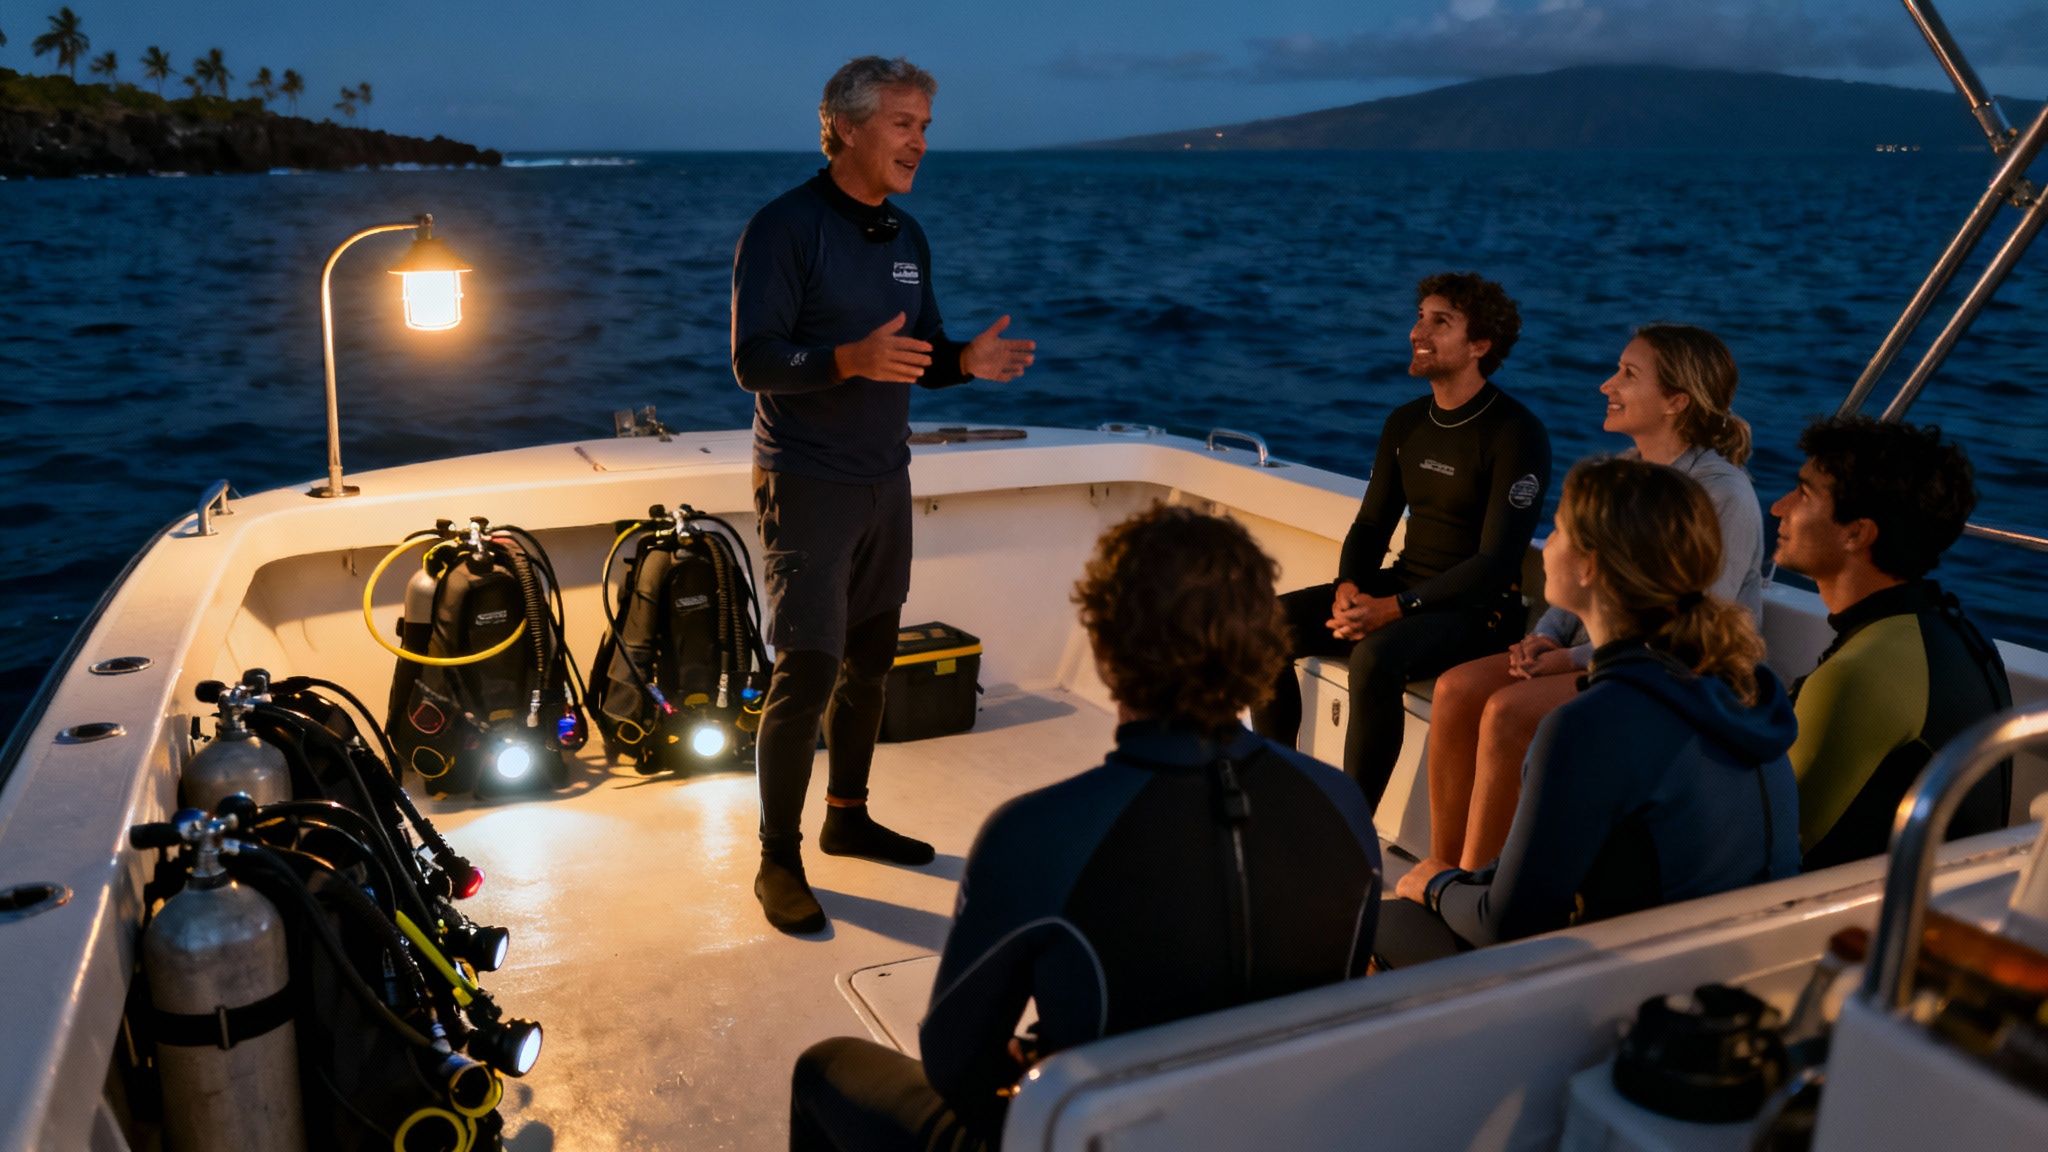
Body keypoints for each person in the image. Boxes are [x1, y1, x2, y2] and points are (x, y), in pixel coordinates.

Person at [789, 506, 1381, 1151]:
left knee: (824, 1069)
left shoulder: (1037, 834)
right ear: (1262, 641)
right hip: (1286, 1132)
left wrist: (1037, 1062)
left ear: (1103, 648)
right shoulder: (1342, 803)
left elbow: (955, 1065)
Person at [731, 56, 1037, 933]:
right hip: (807, 479)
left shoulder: (905, 236)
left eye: (925, 126)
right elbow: (754, 361)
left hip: (883, 476)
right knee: (807, 671)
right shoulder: (785, 227)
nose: (920, 142)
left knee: (870, 663)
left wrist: (966, 361)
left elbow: (921, 355)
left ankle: (848, 818)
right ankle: (778, 859)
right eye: (904, 124)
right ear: (846, 127)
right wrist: (845, 360)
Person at [1380, 457, 1799, 966]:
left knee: (1378, 923)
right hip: (1734, 970)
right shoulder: (1742, 694)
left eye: (1557, 529)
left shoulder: (1589, 726)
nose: (1548, 544)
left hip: (1628, 987)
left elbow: (1505, 926)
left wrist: (1435, 884)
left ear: (1588, 566)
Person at [1424, 325, 1765, 871]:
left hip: (1669, 674)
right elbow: (1580, 576)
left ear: (1676, 401)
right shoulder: (1628, 473)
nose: (1607, 385)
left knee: (1508, 713)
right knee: (1455, 690)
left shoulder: (1722, 493)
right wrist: (1544, 637)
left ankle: (1473, 885)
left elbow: (1693, 629)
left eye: (1628, 374)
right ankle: (1440, 868)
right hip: (1594, 652)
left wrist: (1569, 659)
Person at [1253, 272, 1551, 810]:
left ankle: (1349, 823)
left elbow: (1495, 561)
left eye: (1441, 323)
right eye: (1420, 318)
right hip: (1407, 587)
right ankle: (1276, 795)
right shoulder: (1406, 422)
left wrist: (1393, 608)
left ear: (1479, 346)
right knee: (1262, 628)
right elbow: (1371, 526)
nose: (1419, 332)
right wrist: (1349, 588)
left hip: (1480, 612)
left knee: (1374, 657)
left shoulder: (1515, 433)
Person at [1769, 416, 2012, 871]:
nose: (1778, 507)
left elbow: (1764, 849)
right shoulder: (1959, 632)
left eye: (1803, 493)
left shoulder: (1859, 672)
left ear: (1856, 533)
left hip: (1861, 912)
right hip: (1946, 896)